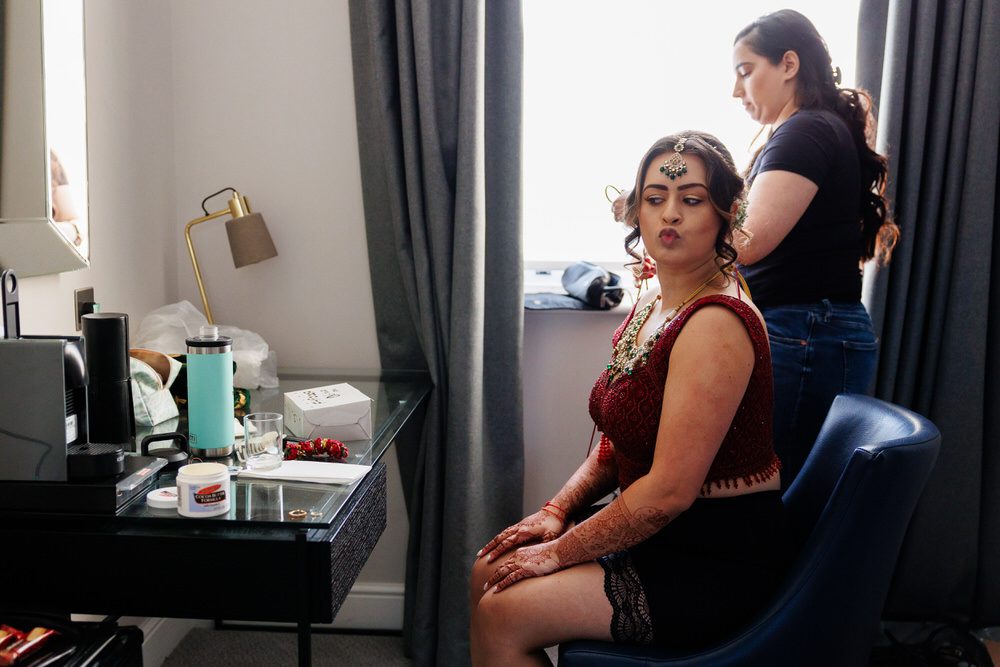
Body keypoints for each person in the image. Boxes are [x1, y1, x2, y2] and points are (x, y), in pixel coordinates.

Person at [470, 133, 792, 665]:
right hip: (659, 529)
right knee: (490, 567)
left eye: (691, 200)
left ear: (725, 214)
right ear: (634, 211)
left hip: (715, 555)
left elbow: (667, 493)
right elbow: (619, 442)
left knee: (504, 610)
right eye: (655, 198)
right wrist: (557, 510)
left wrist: (556, 553)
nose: (670, 214)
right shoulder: (650, 302)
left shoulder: (715, 322)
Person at [731, 9, 898, 487]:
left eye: (746, 71)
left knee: (776, 493)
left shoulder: (804, 130)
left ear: (788, 63)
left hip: (805, 334)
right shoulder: (811, 128)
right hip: (805, 330)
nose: (737, 91)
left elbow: (749, 242)